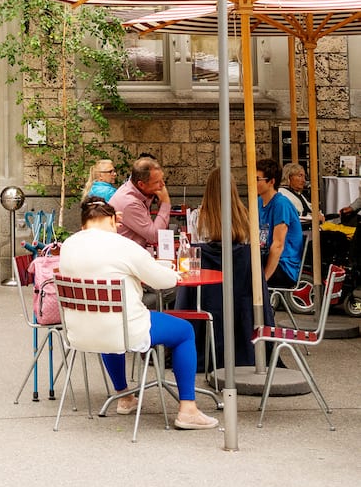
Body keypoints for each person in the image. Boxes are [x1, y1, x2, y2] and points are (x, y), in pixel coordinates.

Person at [57, 196, 218, 430]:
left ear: (83, 225)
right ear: (114, 221)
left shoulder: (69, 245)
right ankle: (188, 410)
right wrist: (172, 273)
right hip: (125, 329)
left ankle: (124, 396)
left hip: (80, 332)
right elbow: (162, 282)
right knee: (184, 331)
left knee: (109, 320)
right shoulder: (123, 246)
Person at [178, 167, 271, 369]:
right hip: (241, 293)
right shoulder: (245, 216)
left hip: (207, 295)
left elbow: (195, 245)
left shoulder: (197, 217)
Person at [256, 157, 304, 288]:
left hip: (283, 267)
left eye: (257, 179)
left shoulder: (281, 204)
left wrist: (263, 280)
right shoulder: (259, 201)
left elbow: (278, 245)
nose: (252, 183)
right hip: (264, 257)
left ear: (271, 181)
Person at [109, 156, 171, 249]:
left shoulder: (135, 190)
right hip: (126, 257)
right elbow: (155, 236)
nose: (162, 185)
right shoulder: (129, 203)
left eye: (162, 179)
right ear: (141, 184)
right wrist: (165, 203)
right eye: (157, 182)